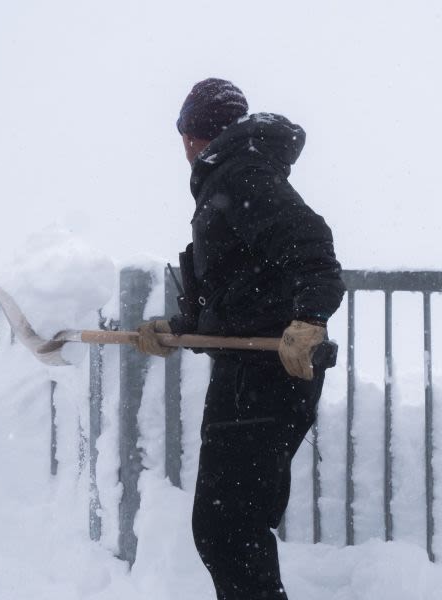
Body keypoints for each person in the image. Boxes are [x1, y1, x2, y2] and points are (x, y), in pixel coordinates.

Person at [135, 78, 345, 600]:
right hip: (250, 373)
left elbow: (312, 247)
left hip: (270, 374)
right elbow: (242, 300)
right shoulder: (231, 179)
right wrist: (178, 331)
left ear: (190, 134)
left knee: (226, 532)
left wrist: (310, 321)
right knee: (235, 531)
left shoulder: (244, 176)